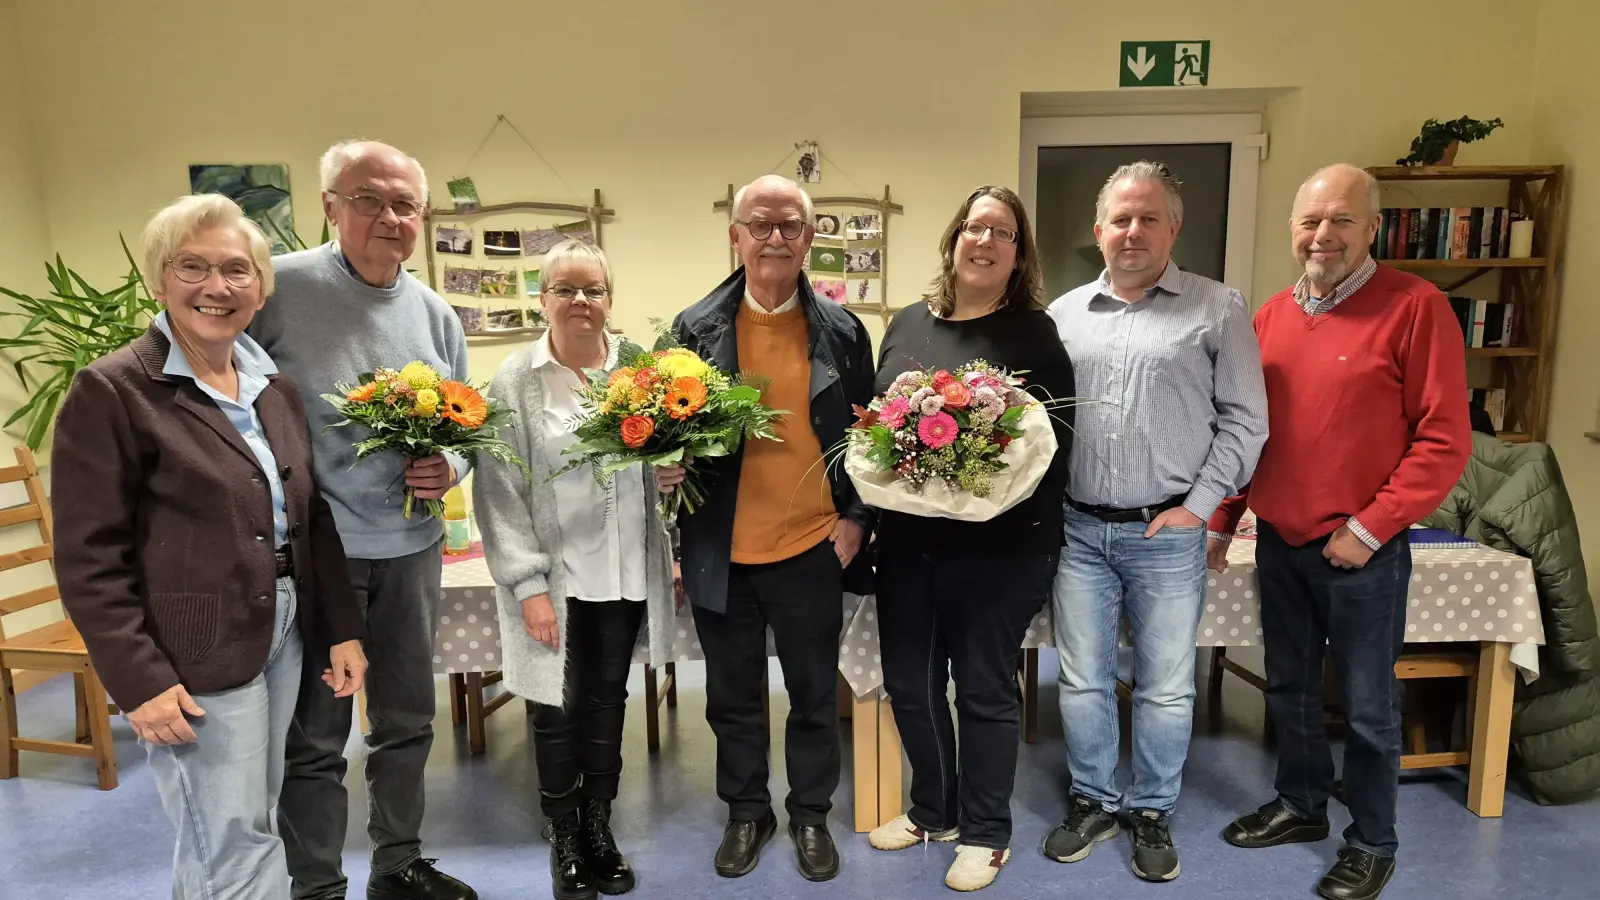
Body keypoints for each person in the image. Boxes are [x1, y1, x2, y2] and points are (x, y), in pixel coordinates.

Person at [51, 194, 368, 900]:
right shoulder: (114, 391)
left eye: (236, 270)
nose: (216, 287)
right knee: (233, 836)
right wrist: (139, 679)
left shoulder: (271, 388)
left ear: (260, 288)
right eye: (192, 267)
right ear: (158, 280)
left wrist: (340, 630)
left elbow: (309, 517)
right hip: (192, 647)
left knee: (233, 825)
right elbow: (87, 556)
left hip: (283, 626)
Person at [1210, 163, 1471, 900]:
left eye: (1340, 220)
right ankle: (1300, 806)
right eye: (1309, 221)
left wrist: (1370, 525)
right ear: (1293, 229)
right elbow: (1247, 433)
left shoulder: (1416, 309)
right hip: (1280, 544)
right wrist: (1226, 521)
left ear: (1372, 227)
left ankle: (1373, 841)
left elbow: (1444, 440)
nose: (1322, 235)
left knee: (1365, 706)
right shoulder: (1269, 317)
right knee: (1289, 689)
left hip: (1363, 552)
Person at [249, 140, 478, 900]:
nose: (388, 217)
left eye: (404, 204)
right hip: (319, 556)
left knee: (407, 720)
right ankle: (315, 885)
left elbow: (466, 431)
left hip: (412, 548)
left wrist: (452, 469)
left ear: (423, 216)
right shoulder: (277, 291)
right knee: (316, 735)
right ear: (329, 205)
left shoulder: (437, 316)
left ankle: (398, 863)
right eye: (368, 199)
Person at [1042, 162, 1268, 883]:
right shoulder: (1064, 314)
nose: (1132, 231)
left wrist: (1197, 509)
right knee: (1081, 679)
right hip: (1079, 530)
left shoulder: (1217, 307)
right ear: (1098, 229)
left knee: (1166, 684)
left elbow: (1245, 421)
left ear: (1173, 227)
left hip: (1165, 533)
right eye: (1119, 218)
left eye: (1148, 218)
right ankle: (1093, 800)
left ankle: (1151, 809)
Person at [656, 174, 876, 883]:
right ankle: (747, 811)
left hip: (813, 545)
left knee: (815, 694)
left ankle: (811, 813)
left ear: (810, 239)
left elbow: (870, 438)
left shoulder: (842, 332)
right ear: (736, 236)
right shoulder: (695, 329)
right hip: (723, 549)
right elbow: (668, 436)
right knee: (731, 696)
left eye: (790, 226)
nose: (774, 237)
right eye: (760, 224)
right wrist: (672, 494)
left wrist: (855, 520)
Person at [867, 185, 1076, 892]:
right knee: (910, 681)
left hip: (1003, 546)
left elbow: (1056, 441)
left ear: (1018, 256)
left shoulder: (1033, 335)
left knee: (983, 686)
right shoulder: (905, 323)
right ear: (954, 240)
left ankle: (986, 833)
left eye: (1002, 233)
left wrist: (979, 482)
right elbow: (877, 428)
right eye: (974, 228)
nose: (984, 242)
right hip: (908, 541)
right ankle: (934, 810)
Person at [473, 241, 677, 900]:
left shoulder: (642, 370)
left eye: (592, 289)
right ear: (543, 299)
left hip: (622, 576)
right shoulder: (516, 380)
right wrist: (528, 584)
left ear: (610, 299)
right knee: (555, 710)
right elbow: (499, 494)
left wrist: (672, 474)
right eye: (565, 289)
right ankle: (562, 831)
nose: (580, 301)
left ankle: (598, 825)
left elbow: (661, 469)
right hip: (554, 586)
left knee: (607, 701)